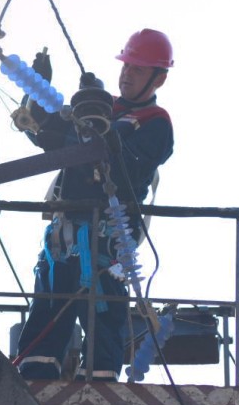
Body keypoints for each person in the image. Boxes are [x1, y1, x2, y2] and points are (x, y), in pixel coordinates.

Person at [14, 29, 175, 381]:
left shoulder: (155, 124)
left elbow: (131, 166)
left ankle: (100, 381)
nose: (127, 74)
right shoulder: (99, 111)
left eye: (137, 68)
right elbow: (44, 133)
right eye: (127, 66)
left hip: (108, 238)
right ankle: (34, 377)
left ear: (158, 77)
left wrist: (99, 132)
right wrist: (36, 88)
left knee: (104, 311)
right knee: (50, 305)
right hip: (65, 235)